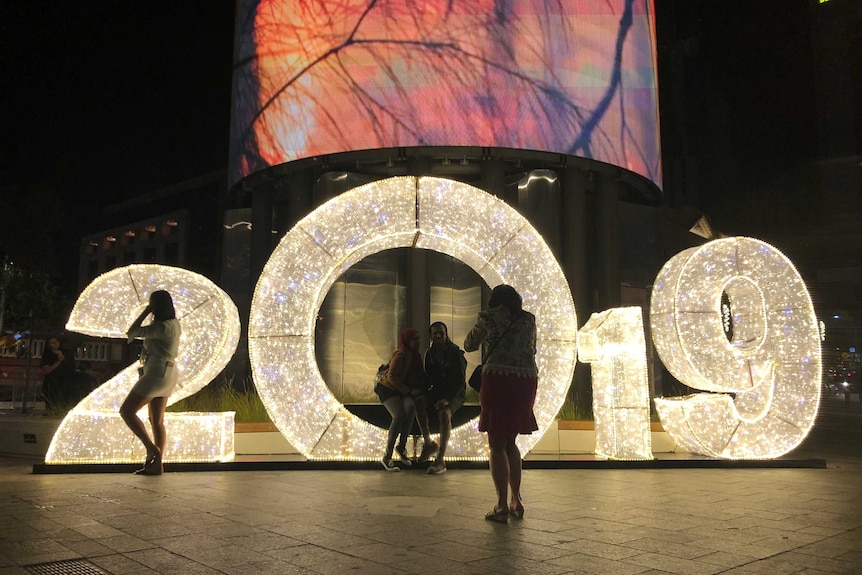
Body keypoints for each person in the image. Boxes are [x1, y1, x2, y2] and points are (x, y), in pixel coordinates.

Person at [464, 285, 537, 522]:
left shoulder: (489, 317)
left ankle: (501, 505)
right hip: (526, 380)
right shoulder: (528, 320)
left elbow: (470, 344)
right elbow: (532, 349)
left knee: (496, 443)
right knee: (511, 442)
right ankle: (517, 500)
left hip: (498, 378)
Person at [119, 290, 182, 476]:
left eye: (152, 303)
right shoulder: (174, 324)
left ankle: (152, 450)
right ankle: (156, 465)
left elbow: (132, 332)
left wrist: (146, 311)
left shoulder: (161, 327)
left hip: (156, 372)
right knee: (157, 420)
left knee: (127, 411)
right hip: (168, 372)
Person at [375, 328, 437, 471]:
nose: (417, 342)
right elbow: (392, 378)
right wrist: (409, 391)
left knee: (411, 408)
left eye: (418, 338)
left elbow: (419, 376)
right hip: (389, 390)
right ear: (407, 340)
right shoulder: (401, 354)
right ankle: (387, 456)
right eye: (414, 339)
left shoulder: (416, 356)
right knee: (399, 415)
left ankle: (401, 447)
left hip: (402, 391)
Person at [423, 321, 466, 475]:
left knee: (444, 413)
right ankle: (428, 443)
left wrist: (447, 399)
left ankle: (441, 458)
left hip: (454, 394)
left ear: (446, 333)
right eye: (435, 333)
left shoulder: (455, 352)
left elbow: (460, 381)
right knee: (418, 404)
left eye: (441, 332)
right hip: (438, 392)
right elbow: (429, 378)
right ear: (431, 336)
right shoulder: (430, 353)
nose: (439, 336)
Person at [40, 336, 76, 411]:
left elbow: (71, 367)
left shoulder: (67, 353)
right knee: (52, 402)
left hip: (65, 382)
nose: (55, 344)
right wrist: (59, 361)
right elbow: (47, 371)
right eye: (52, 343)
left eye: (56, 342)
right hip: (52, 382)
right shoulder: (47, 355)